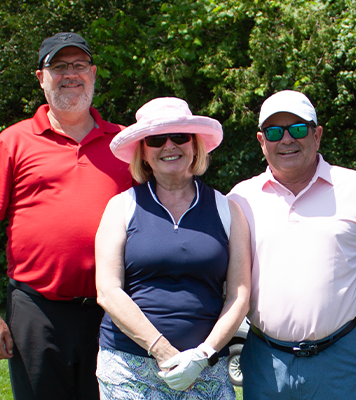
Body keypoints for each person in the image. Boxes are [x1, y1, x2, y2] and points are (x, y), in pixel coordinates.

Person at [0, 32, 133, 400]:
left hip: (112, 313)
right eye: (59, 67)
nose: (70, 74)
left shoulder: (125, 143)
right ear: (41, 78)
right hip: (36, 310)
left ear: (93, 73)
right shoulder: (13, 141)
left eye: (79, 65)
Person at [227, 90, 356, 399]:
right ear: (261, 141)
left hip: (339, 358)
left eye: (298, 129)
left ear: (317, 135)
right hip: (265, 359)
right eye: (274, 132)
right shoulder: (240, 198)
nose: (286, 139)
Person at [93, 97, 252, 399]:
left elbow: (239, 296)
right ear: (143, 152)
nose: (169, 146)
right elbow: (108, 291)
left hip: (206, 366)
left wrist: (203, 355)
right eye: (156, 139)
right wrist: (163, 351)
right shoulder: (121, 206)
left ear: (195, 145)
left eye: (180, 136)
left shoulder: (228, 210)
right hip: (129, 369)